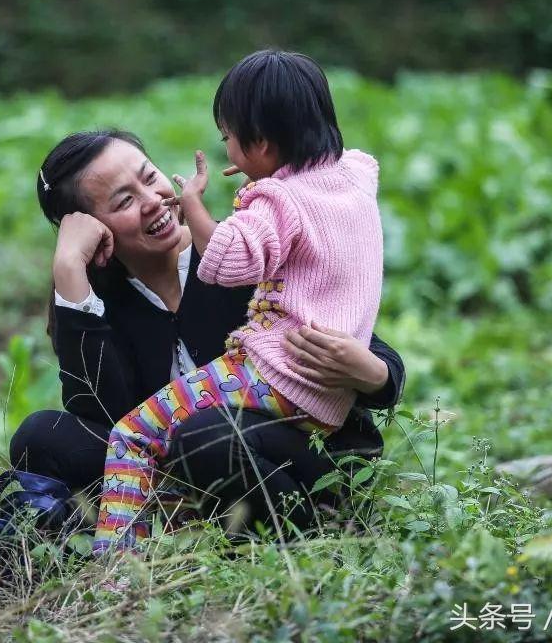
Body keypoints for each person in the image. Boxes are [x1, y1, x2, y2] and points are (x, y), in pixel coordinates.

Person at [9, 126, 404, 550]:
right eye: (123, 201)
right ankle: (137, 544)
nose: (151, 201)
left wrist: (374, 374)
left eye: (148, 176)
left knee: (206, 434)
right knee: (40, 433)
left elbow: (368, 348)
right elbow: (99, 417)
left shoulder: (241, 251)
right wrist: (70, 271)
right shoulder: (96, 302)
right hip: (164, 480)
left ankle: (298, 539)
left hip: (287, 463)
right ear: (92, 227)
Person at [91, 50, 384, 553]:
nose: (226, 147)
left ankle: (116, 575)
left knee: (132, 435)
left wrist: (196, 206)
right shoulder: (356, 174)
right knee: (188, 437)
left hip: (276, 375)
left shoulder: (276, 201)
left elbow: (226, 262)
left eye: (229, 136)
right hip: (323, 399)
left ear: (262, 143)